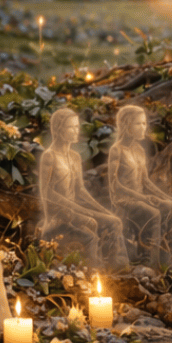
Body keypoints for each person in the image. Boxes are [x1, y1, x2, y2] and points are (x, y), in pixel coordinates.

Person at [38, 107, 129, 270]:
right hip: (58, 215)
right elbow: (47, 192)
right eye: (70, 127)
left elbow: (80, 189)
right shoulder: (49, 156)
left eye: (76, 127)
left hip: (74, 211)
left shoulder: (75, 157)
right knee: (91, 223)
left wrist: (101, 210)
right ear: (58, 129)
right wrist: (80, 210)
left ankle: (117, 265)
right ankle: (95, 269)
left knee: (114, 221)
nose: (76, 131)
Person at [108, 104, 172, 269]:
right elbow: (114, 184)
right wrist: (143, 198)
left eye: (144, 123)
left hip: (141, 198)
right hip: (124, 200)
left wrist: (166, 197)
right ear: (126, 125)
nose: (144, 127)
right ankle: (153, 261)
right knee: (154, 213)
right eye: (139, 123)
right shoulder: (117, 150)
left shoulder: (138, 150)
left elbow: (145, 181)